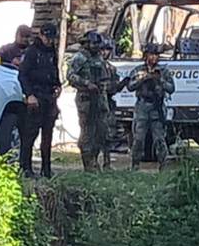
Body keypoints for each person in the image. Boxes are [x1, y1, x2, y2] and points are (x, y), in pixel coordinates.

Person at [67, 30, 122, 171]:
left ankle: (96, 160)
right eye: (94, 43)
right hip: (86, 99)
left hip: (101, 98)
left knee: (102, 131)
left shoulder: (99, 58)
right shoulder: (80, 58)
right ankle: (88, 164)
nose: (97, 47)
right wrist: (86, 83)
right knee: (87, 132)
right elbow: (70, 76)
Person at [15, 25, 62, 179]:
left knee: (47, 136)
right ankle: (25, 168)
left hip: (49, 97)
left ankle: (46, 169)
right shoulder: (31, 52)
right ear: (41, 35)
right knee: (29, 135)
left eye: (52, 38)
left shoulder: (51, 51)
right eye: (47, 37)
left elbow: (54, 71)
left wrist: (58, 85)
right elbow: (22, 75)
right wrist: (29, 95)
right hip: (35, 97)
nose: (49, 41)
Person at [127, 45, 174, 169]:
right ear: (145, 55)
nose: (154, 57)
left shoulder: (163, 71)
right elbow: (130, 86)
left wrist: (160, 81)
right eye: (151, 54)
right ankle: (135, 165)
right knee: (138, 138)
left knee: (159, 139)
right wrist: (142, 79)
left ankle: (163, 165)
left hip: (156, 107)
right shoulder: (138, 70)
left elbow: (171, 89)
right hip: (142, 107)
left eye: (156, 55)